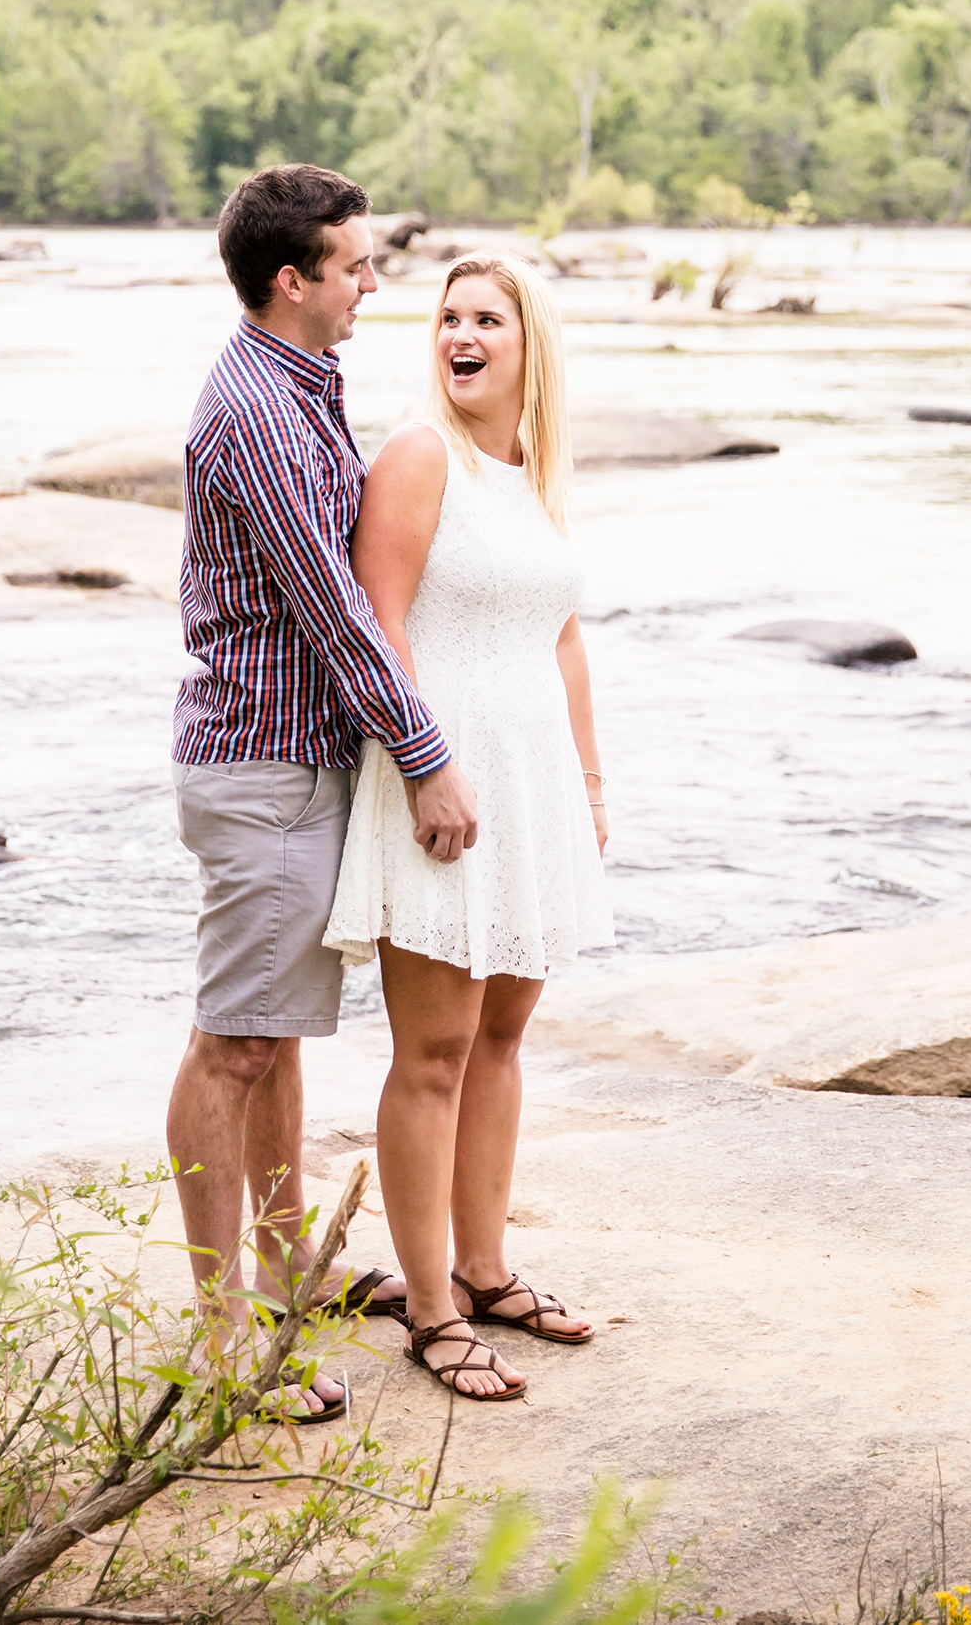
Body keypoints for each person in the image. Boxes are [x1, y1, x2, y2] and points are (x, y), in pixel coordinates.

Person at [167, 164, 479, 1424]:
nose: (373, 285)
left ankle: (291, 1264)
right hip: (265, 769)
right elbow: (338, 613)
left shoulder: (300, 381)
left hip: (297, 765)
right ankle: (223, 1340)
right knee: (234, 1042)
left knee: (276, 1031)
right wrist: (428, 756)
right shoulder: (256, 409)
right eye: (355, 265)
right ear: (292, 280)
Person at [324, 254, 613, 1402]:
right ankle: (430, 1309)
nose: (463, 334)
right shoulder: (418, 454)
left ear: (531, 343)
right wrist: (425, 769)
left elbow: (563, 637)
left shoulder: (533, 470)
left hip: (532, 789)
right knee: (435, 1050)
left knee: (502, 1037)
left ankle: (486, 1271)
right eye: (450, 316)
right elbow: (379, 623)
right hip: (439, 783)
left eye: (488, 318)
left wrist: (588, 785)